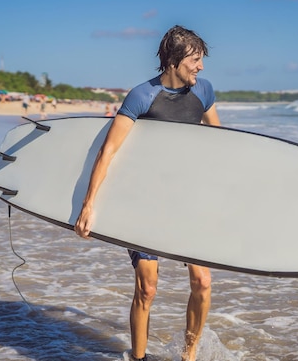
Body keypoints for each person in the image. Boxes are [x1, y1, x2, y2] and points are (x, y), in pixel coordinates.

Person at [74, 25, 221, 361]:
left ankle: (189, 353)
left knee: (202, 282)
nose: (201, 67)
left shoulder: (205, 92)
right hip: (143, 201)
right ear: (173, 60)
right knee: (147, 287)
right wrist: (88, 205)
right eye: (195, 60)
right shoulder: (141, 96)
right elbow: (108, 151)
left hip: (186, 200)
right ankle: (138, 359)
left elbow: (220, 146)